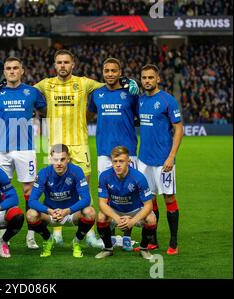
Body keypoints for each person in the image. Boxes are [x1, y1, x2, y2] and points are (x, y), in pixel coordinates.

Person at [33, 50, 138, 247]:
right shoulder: (46, 84)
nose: (62, 66)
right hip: (55, 145)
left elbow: (109, 84)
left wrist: (126, 81)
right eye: (59, 62)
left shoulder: (84, 83)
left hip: (80, 144)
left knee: (85, 190)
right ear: (54, 65)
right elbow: (25, 91)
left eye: (66, 62)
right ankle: (57, 231)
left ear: (73, 65)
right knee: (55, 189)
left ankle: (89, 234)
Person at [0, 57, 46, 249]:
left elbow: (44, 110)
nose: (12, 71)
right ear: (4, 72)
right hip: (1, 149)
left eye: (15, 68)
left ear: (22, 71)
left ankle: (31, 235)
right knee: (2, 190)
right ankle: (3, 235)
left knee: (29, 190)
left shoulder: (32, 92)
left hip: (25, 149)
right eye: (8, 68)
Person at [87, 57, 139, 248]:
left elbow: (140, 116)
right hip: (104, 152)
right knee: (107, 195)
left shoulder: (131, 93)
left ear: (120, 72)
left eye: (113, 71)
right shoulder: (97, 94)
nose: (110, 74)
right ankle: (111, 237)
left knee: (128, 194)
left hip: (128, 151)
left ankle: (126, 235)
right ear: (103, 72)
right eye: (107, 71)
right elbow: (88, 114)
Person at [137, 64, 183, 255]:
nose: (147, 80)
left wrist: (171, 156)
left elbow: (179, 129)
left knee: (169, 198)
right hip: (144, 160)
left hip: (164, 161)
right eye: (144, 77)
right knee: (149, 200)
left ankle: (173, 241)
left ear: (158, 79)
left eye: (150, 77)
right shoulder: (139, 101)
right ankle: (152, 240)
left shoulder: (167, 100)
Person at [26, 144, 96, 258]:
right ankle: (48, 239)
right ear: (50, 159)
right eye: (55, 159)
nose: (59, 163)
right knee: (30, 215)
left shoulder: (76, 171)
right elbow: (32, 201)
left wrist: (67, 211)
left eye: (62, 159)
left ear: (68, 158)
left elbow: (86, 199)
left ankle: (76, 242)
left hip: (71, 213)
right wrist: (49, 211)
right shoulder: (44, 173)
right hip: (50, 214)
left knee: (90, 212)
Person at [95, 146, 157, 260]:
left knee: (152, 219)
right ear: (112, 161)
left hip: (135, 211)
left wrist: (133, 221)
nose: (118, 165)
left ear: (128, 162)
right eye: (115, 161)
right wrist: (117, 218)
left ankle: (144, 248)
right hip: (116, 211)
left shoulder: (139, 177)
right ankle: (108, 249)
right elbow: (102, 204)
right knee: (100, 217)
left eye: (121, 161)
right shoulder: (104, 176)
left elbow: (149, 205)